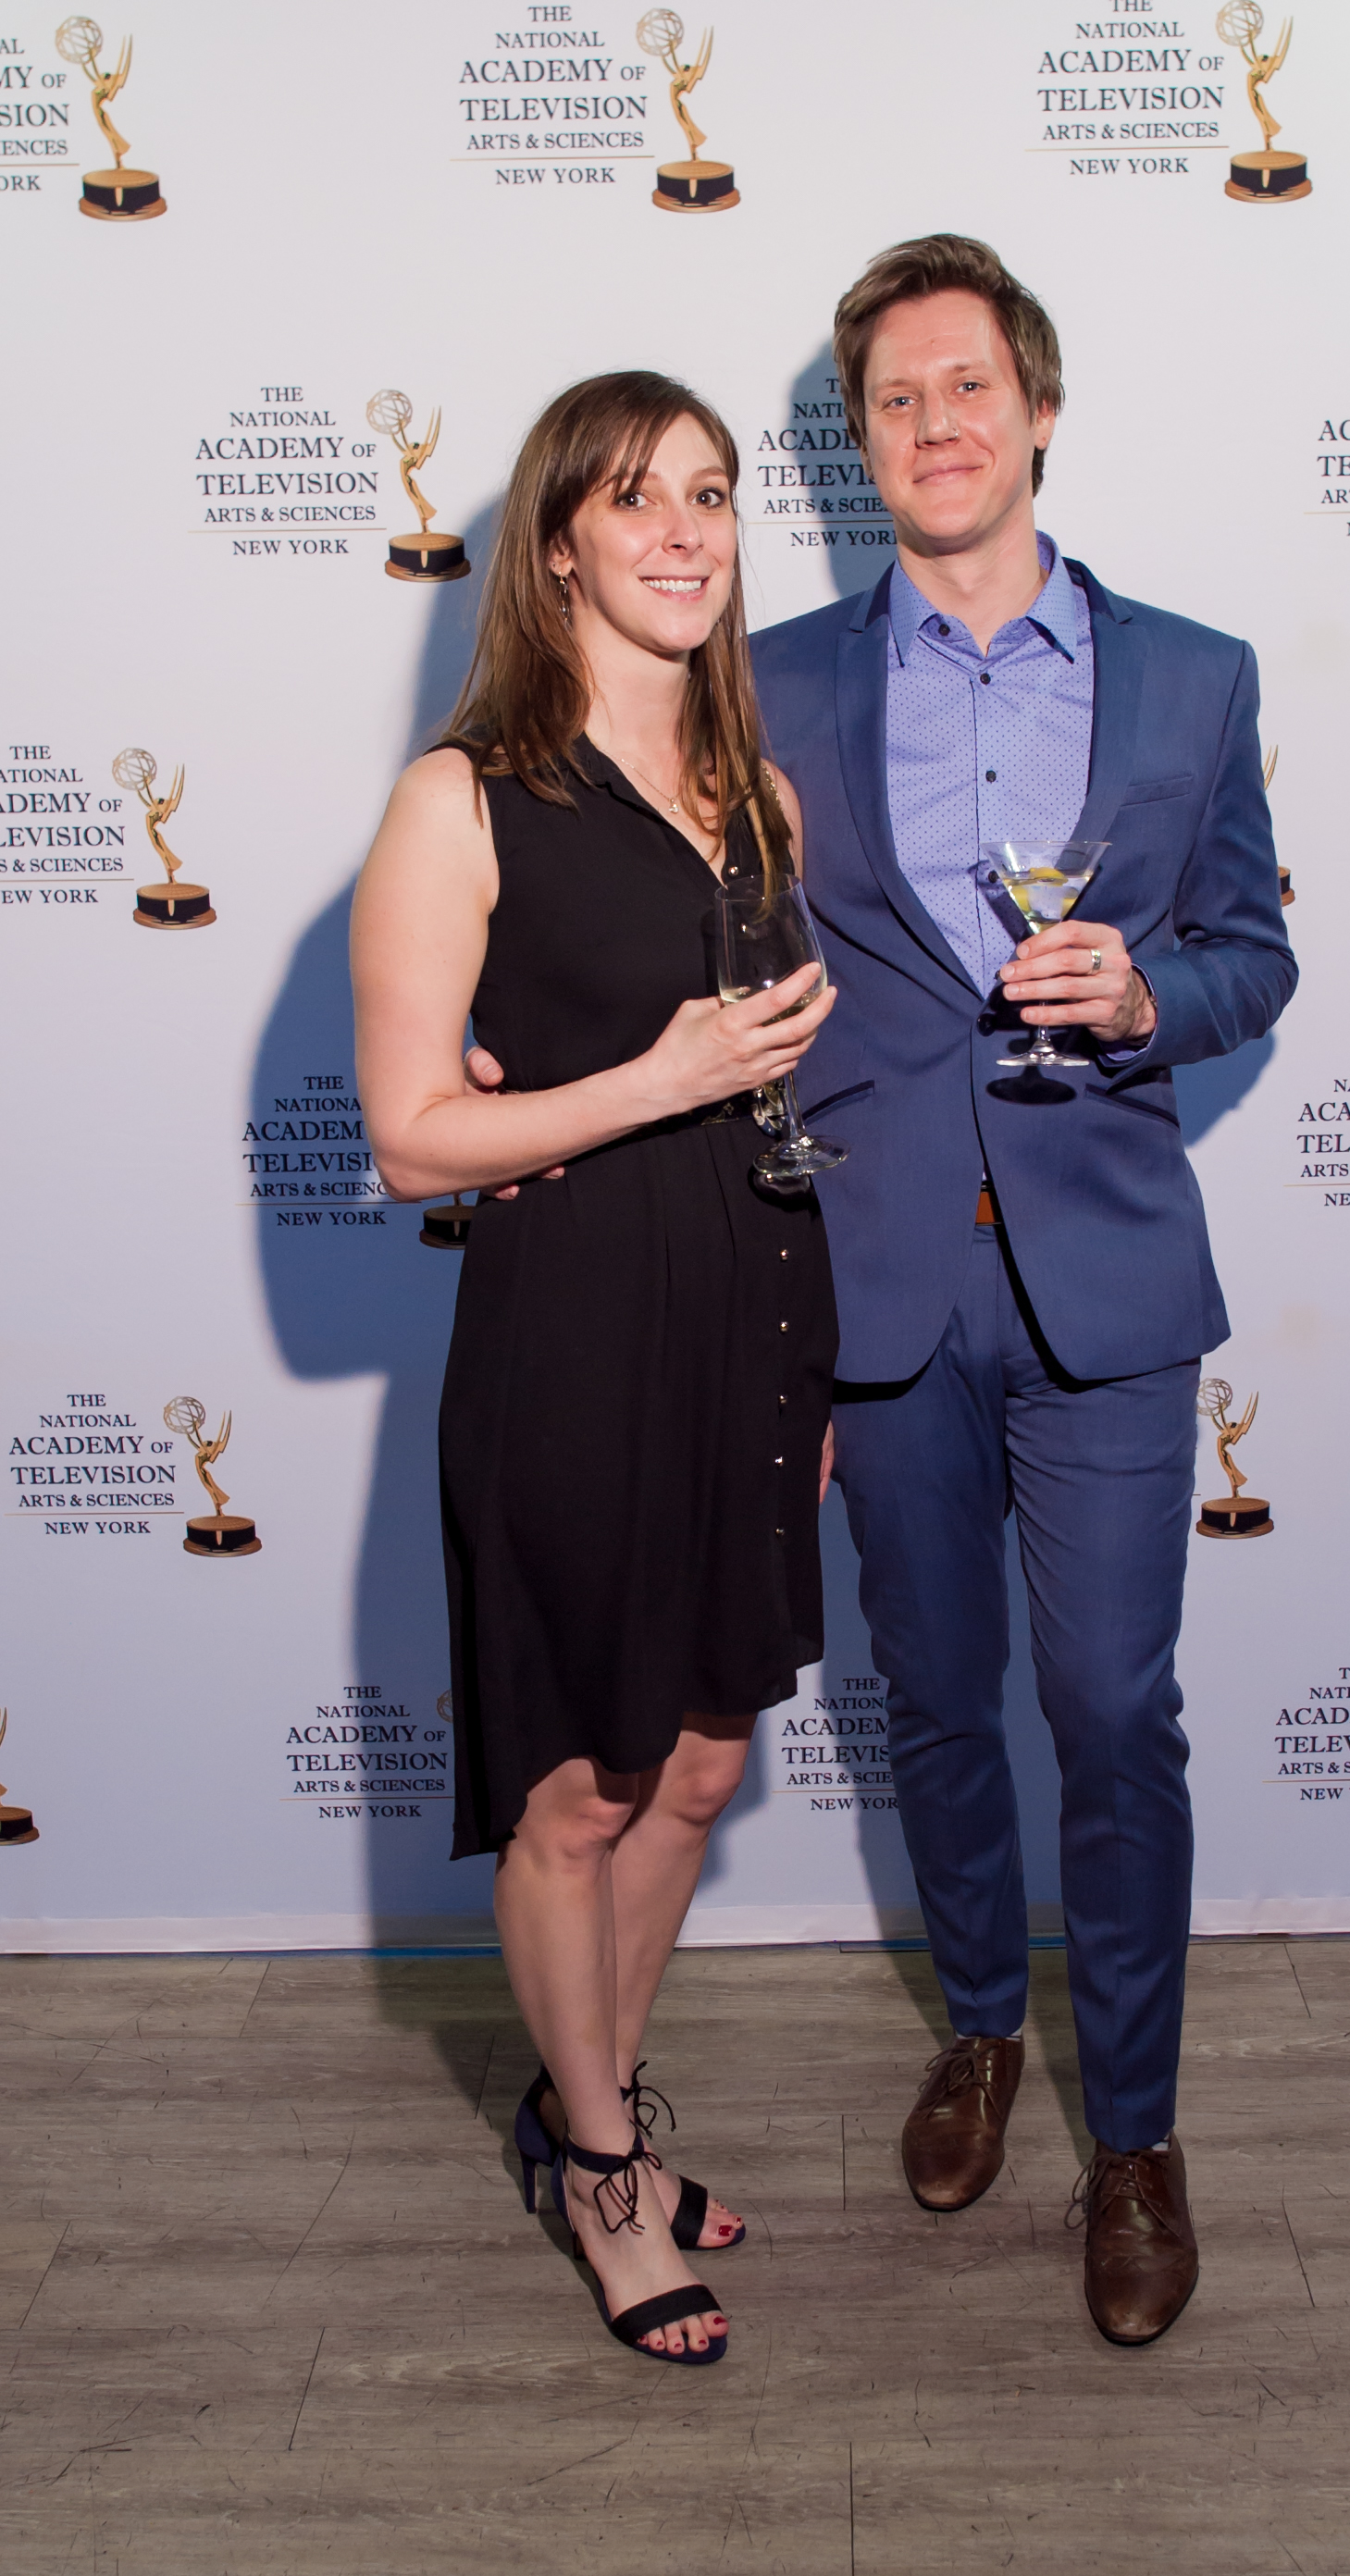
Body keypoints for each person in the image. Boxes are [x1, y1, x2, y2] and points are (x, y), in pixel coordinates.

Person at [749, 236, 1297, 2346]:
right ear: (863, 443)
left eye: (968, 385)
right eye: (894, 399)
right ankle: (983, 2023)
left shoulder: (1193, 675)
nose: (937, 424)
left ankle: (1135, 2137)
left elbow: (1255, 950)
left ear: (1039, 410)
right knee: (937, 1700)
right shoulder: (771, 684)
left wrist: (1154, 994)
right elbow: (704, 941)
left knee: (1112, 1712)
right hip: (876, 1281)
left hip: (1108, 1283)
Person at [352, 373, 838, 2366]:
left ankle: (594, 2115)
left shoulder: (758, 787)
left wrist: (811, 1367)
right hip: (572, 1337)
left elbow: (778, 1095)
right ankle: (610, 2180)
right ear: (558, 542)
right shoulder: (463, 798)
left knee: (703, 1761)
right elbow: (409, 1138)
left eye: (710, 495)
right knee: (581, 1787)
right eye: (636, 498)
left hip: (758, 1324)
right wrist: (651, 1078)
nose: (683, 531)